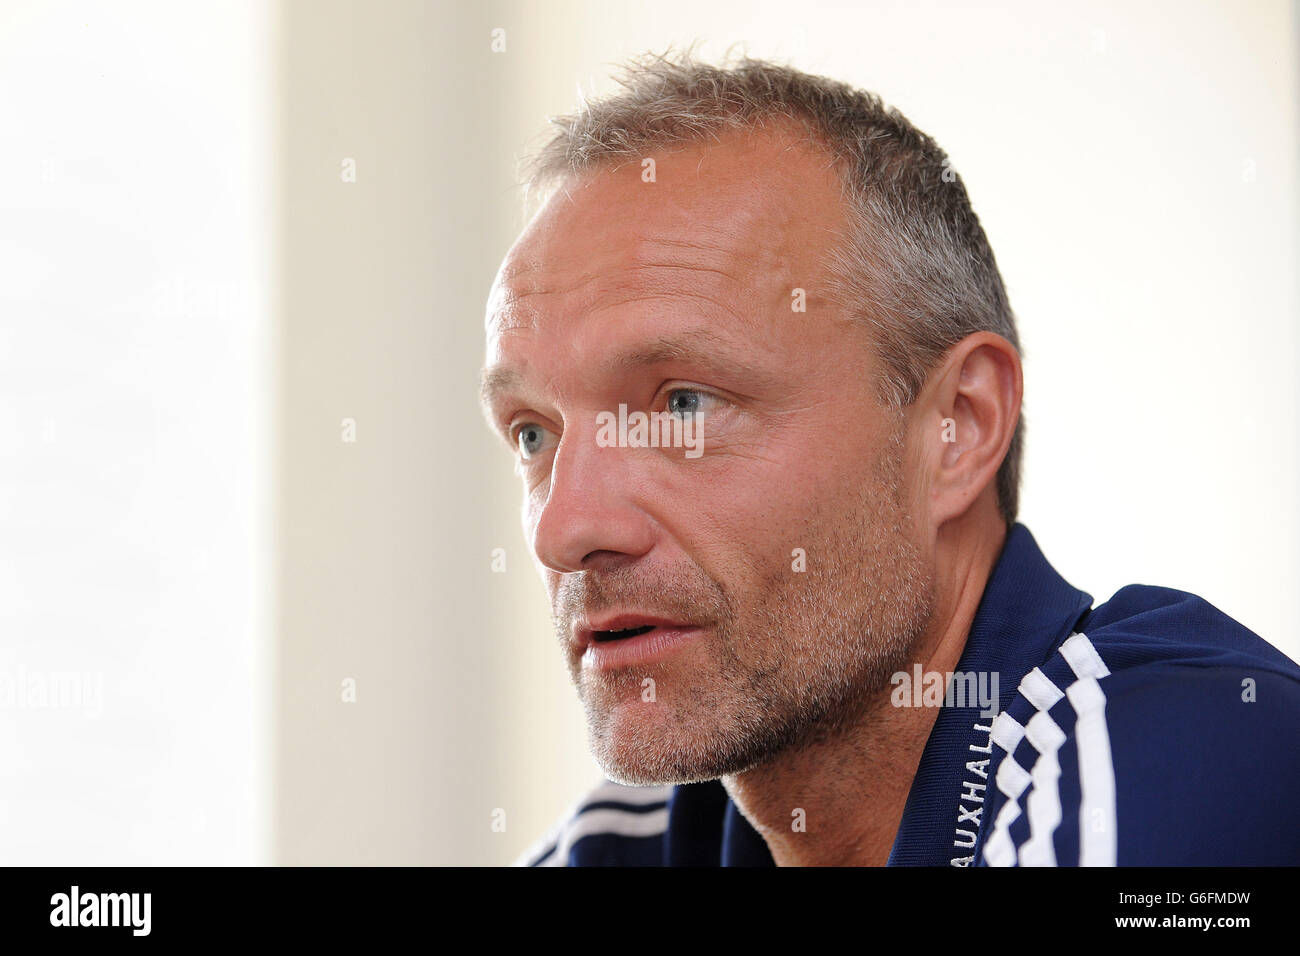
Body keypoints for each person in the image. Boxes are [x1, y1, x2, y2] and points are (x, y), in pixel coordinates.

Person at [477, 51, 1300, 866]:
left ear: (958, 427)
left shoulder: (1190, 750)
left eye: (683, 405)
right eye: (534, 434)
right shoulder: (625, 845)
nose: (565, 527)